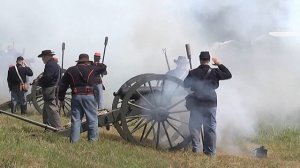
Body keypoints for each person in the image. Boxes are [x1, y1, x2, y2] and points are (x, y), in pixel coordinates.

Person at [183, 51, 232, 156]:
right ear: (209, 60)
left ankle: (196, 149)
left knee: (195, 126)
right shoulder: (215, 72)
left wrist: (189, 73)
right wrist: (219, 64)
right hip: (210, 103)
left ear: (200, 60)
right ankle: (210, 152)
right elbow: (228, 75)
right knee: (210, 128)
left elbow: (185, 84)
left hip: (197, 102)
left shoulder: (193, 72)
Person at [58, 54, 107, 143]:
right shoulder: (91, 68)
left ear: (79, 61)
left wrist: (61, 98)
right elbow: (103, 67)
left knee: (76, 120)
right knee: (92, 119)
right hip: (89, 96)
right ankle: (93, 141)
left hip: (76, 96)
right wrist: (94, 63)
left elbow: (63, 85)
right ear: (87, 61)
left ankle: (74, 141)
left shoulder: (70, 70)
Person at [36, 50, 62, 130]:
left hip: (49, 89)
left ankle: (57, 128)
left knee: (52, 108)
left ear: (47, 56)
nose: (42, 59)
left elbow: (48, 77)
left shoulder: (49, 65)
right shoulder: (55, 65)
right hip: (54, 87)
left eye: (43, 57)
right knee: (46, 109)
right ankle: (47, 127)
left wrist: (38, 82)